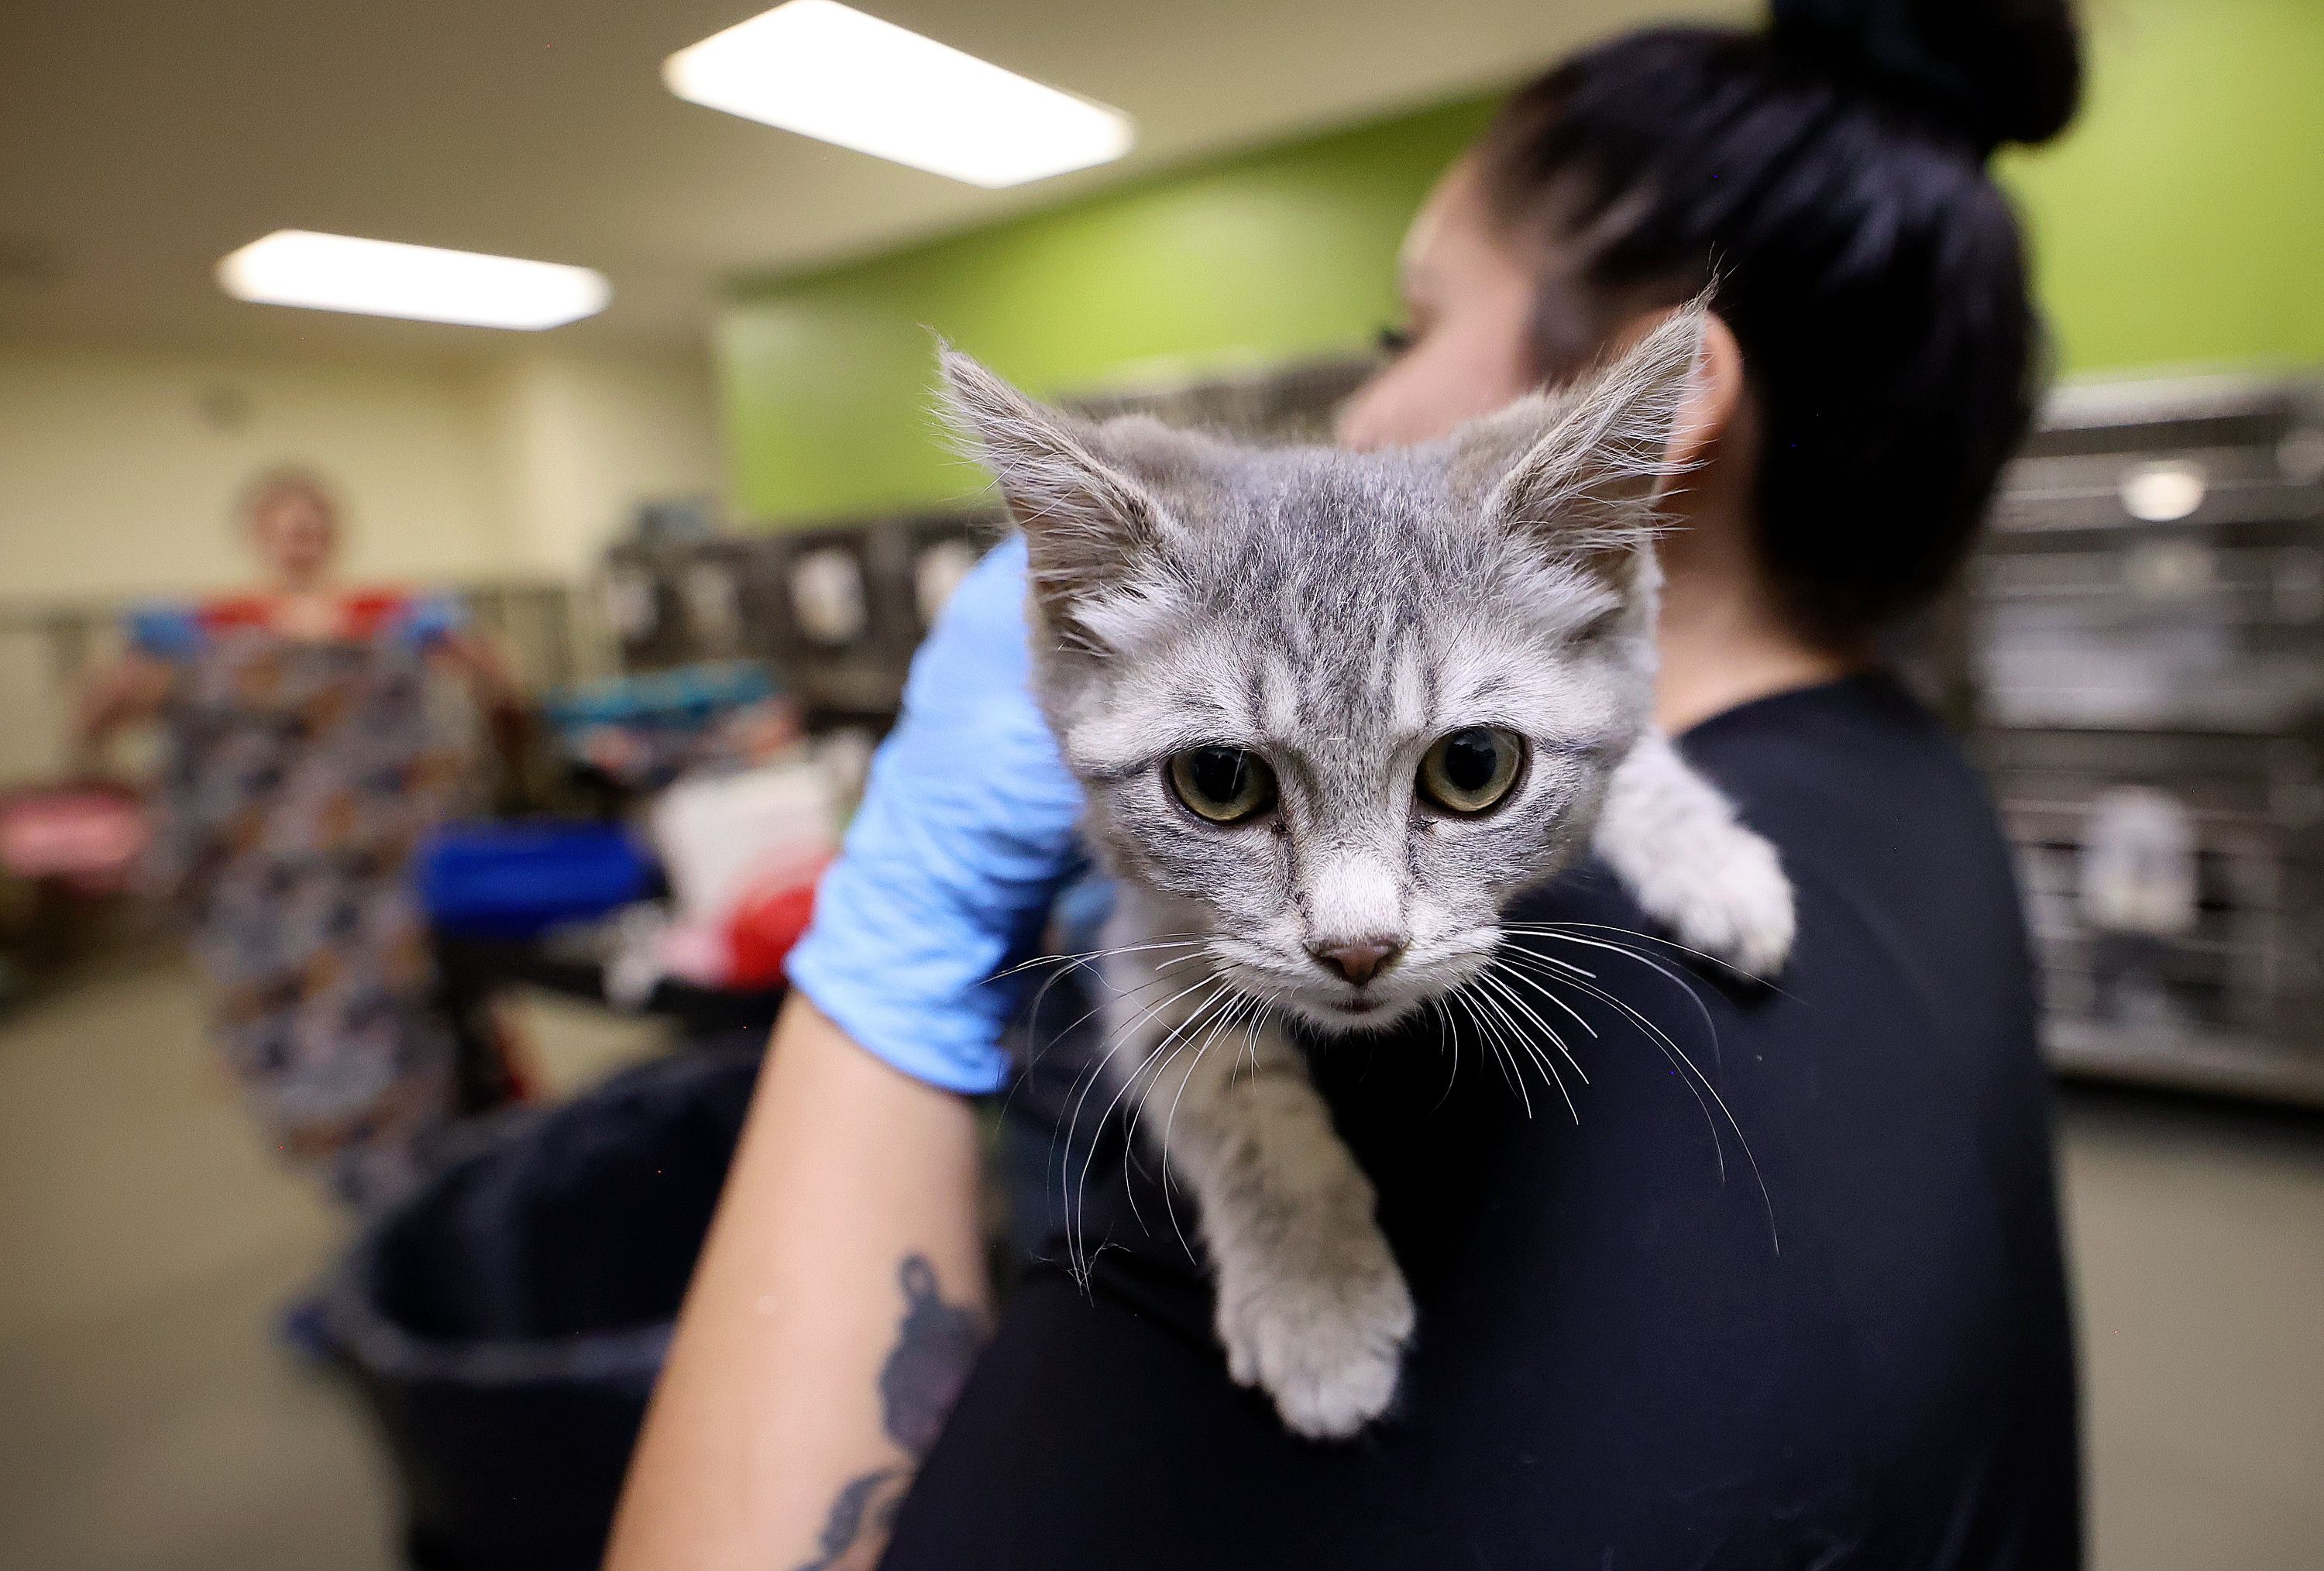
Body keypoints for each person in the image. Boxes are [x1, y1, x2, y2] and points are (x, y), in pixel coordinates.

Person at [609, 1, 2085, 1565]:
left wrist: (878, 975)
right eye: (1232, 780)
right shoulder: (1911, 789)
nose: (1356, 931)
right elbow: (1545, 729)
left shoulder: (1509, 1134)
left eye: (1404, 332)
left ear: (1623, 492)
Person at [77, 467, 521, 1210]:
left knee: (414, 1032)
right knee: (307, 1047)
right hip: (270, 903)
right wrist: (123, 683)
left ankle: (439, 1190)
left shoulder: (388, 623)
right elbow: (99, 727)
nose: (302, 539)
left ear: (335, 533)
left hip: (386, 884)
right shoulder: (209, 636)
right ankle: (373, 1197)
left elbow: (497, 697)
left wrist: (474, 660)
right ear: (258, 536)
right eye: (286, 525)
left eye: (314, 524)